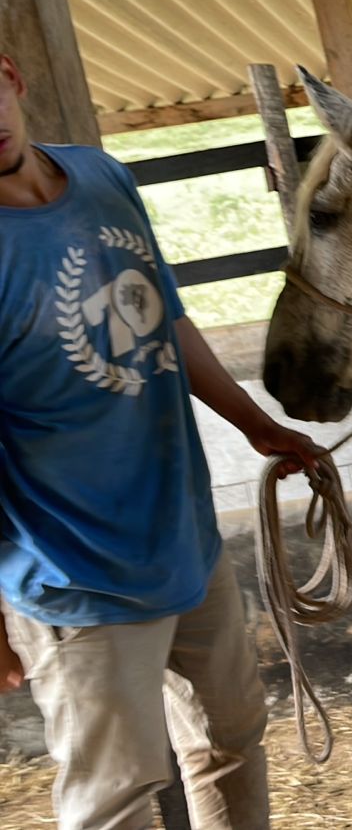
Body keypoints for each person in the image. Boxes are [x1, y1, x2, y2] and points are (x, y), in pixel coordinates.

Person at [0, 52, 321, 829]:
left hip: (185, 542)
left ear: (12, 75)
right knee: (115, 799)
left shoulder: (102, 178)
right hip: (76, 577)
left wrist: (258, 426)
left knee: (232, 741)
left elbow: (164, 321)